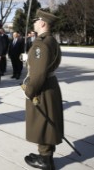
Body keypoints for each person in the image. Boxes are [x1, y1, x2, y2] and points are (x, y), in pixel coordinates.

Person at [22, 9, 63, 170]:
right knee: (47, 121)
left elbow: (38, 74)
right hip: (50, 84)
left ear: (43, 23)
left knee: (43, 122)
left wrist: (29, 90)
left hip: (42, 87)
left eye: (36, 20)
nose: (33, 22)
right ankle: (45, 154)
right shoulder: (51, 40)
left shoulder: (42, 44)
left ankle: (45, 159)